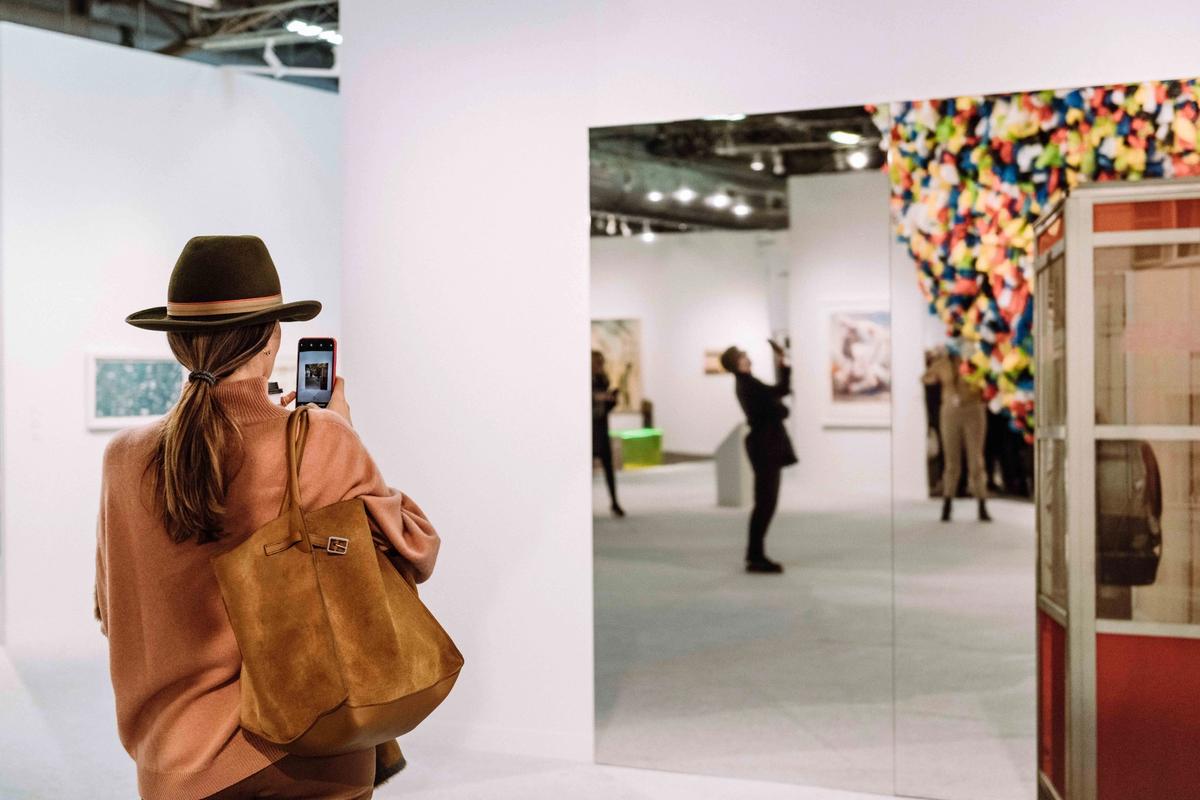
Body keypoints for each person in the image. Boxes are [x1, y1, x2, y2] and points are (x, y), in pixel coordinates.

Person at [95, 236, 439, 799]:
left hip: (175, 762)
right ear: (273, 335)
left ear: (179, 344)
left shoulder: (124, 457)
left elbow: (113, 611)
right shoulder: (317, 438)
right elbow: (415, 552)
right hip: (310, 744)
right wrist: (340, 431)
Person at [721, 341, 798, 573]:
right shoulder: (747, 384)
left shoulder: (749, 383)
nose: (747, 356)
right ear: (737, 363)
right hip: (765, 446)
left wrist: (781, 362)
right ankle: (755, 556)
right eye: (742, 355)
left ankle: (755, 553)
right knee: (765, 503)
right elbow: (779, 405)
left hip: (766, 445)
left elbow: (778, 394)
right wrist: (781, 409)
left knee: (766, 502)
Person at [922, 345, 991, 522]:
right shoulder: (943, 363)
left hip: (973, 409)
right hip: (950, 411)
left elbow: (988, 381)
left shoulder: (977, 360)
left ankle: (981, 503)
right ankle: (947, 502)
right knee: (952, 461)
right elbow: (926, 378)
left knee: (976, 459)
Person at [592, 350, 625, 517]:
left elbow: (604, 409)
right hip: (589, 433)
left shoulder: (602, 381)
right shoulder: (585, 382)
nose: (600, 365)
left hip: (601, 430)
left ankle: (614, 502)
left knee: (608, 469)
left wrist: (610, 400)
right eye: (598, 362)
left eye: (601, 362)